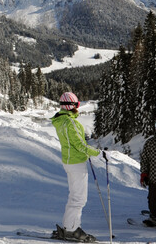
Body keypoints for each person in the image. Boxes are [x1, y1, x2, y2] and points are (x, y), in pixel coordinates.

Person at [50, 92, 102, 242]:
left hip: (70, 161)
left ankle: (69, 226)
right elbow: (79, 145)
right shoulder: (71, 123)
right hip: (76, 163)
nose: (78, 108)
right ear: (72, 106)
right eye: (77, 105)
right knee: (79, 198)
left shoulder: (61, 121)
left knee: (74, 196)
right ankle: (71, 230)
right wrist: (97, 153)